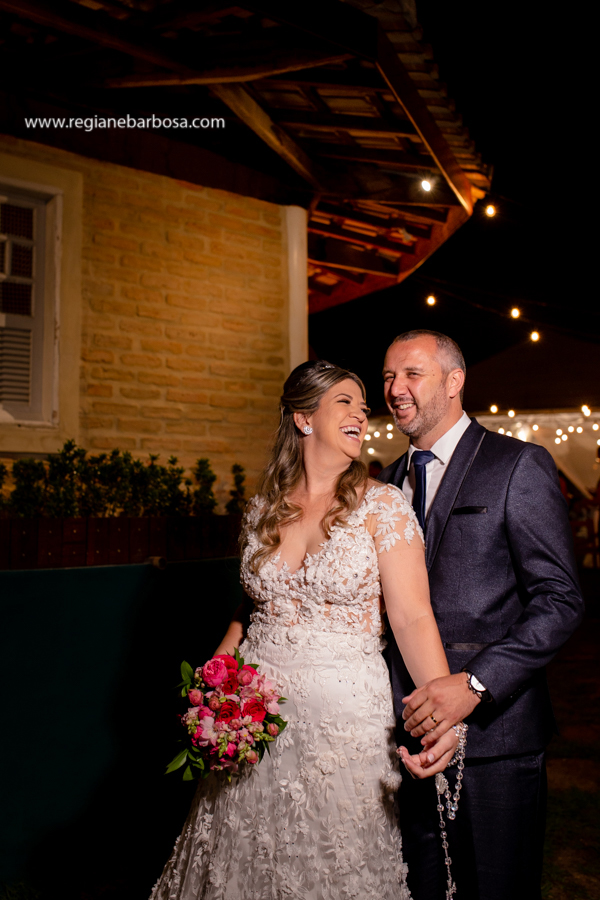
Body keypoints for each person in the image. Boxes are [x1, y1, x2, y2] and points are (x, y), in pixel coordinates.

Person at [150, 360, 459, 900]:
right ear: (303, 417)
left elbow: (412, 618)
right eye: (346, 401)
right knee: (240, 853)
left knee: (332, 862)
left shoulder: (383, 506)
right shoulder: (262, 509)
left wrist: (441, 716)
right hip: (253, 714)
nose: (363, 412)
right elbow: (247, 612)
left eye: (364, 405)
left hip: (343, 723)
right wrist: (213, 685)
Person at [378, 330, 584, 900]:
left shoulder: (519, 464)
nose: (396, 389)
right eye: (389, 377)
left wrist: (474, 685)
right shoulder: (385, 483)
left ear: (454, 380)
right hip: (409, 734)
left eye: (411, 374)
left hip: (497, 736)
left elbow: (560, 599)